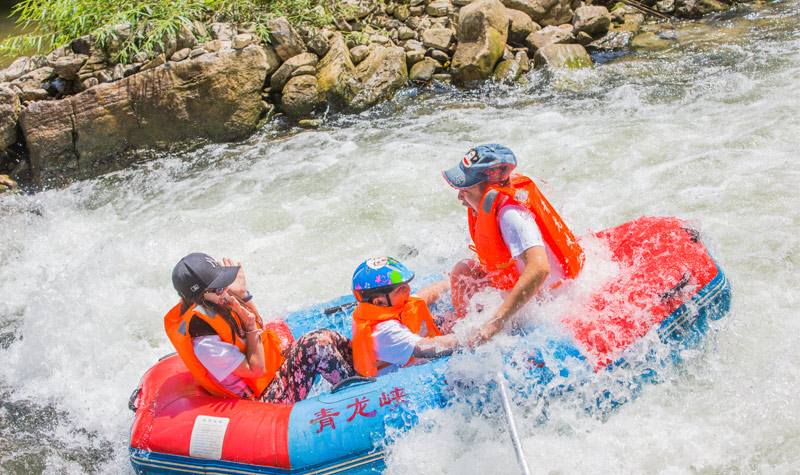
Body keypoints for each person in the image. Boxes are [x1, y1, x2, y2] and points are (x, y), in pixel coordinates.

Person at [163, 253, 355, 403]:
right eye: (218, 288)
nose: (225, 290)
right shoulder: (205, 343)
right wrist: (249, 326)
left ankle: (362, 374)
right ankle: (356, 395)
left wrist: (242, 295)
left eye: (224, 283)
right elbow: (256, 369)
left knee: (325, 335)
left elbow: (259, 328)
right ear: (199, 297)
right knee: (316, 345)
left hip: (269, 378)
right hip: (260, 401)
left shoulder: (216, 302)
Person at [442, 144, 584, 345]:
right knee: (464, 270)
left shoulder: (511, 215)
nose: (459, 196)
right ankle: (461, 323)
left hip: (547, 299)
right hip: (523, 284)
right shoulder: (495, 204)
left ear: (488, 187)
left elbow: (540, 268)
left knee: (473, 326)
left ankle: (463, 340)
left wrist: (494, 323)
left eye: (464, 189)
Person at [350, 257, 461, 377]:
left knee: (452, 316)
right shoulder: (384, 331)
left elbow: (429, 294)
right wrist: (476, 335)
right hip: (402, 373)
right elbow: (429, 348)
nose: (408, 289)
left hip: (410, 349)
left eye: (406, 284)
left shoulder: (390, 305)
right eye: (400, 289)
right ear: (379, 302)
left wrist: (456, 279)